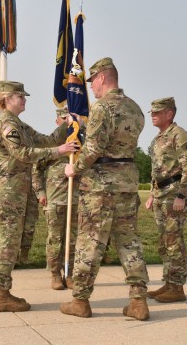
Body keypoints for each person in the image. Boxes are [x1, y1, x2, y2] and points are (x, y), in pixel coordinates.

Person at [61, 57, 150, 321]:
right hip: (127, 183)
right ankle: (138, 301)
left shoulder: (102, 108)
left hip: (100, 186)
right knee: (129, 241)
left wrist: (73, 169)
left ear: (101, 77)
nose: (92, 88)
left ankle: (80, 300)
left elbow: (94, 149)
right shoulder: (135, 108)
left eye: (93, 82)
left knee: (90, 243)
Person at [0, 80, 77, 312]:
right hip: (7, 190)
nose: (24, 99)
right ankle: (1, 295)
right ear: (7, 99)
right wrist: (59, 151)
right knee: (7, 242)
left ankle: (2, 291)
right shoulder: (7, 124)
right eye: (20, 96)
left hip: (16, 190)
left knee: (11, 241)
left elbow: (45, 140)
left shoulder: (19, 125)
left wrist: (67, 125)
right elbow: (23, 153)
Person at [145, 97, 187, 303]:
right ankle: (168, 283)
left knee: (174, 241)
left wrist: (182, 195)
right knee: (163, 242)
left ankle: (177, 288)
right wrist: (152, 193)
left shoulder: (180, 136)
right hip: (160, 194)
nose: (153, 116)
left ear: (170, 114)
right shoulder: (159, 138)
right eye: (152, 112)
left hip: (174, 194)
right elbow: (157, 169)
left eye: (157, 112)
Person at [35, 106, 81, 290]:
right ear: (57, 122)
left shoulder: (79, 145)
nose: (69, 124)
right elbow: (36, 170)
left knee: (73, 240)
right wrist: (40, 193)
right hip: (54, 200)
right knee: (55, 239)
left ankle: (69, 274)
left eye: (71, 121)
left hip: (75, 200)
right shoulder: (51, 147)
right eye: (65, 120)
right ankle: (55, 274)